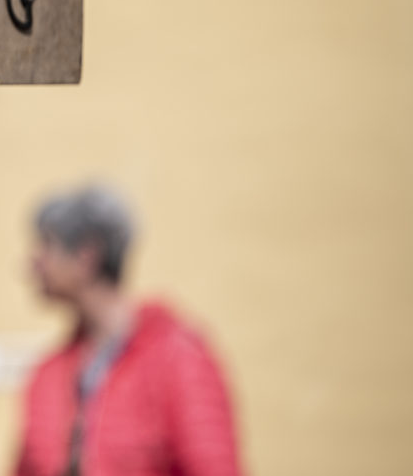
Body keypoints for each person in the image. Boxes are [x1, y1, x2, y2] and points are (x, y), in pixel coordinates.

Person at [14, 186, 244, 476]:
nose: (33, 262)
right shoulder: (49, 373)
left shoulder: (176, 357)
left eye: (47, 244)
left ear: (86, 256)